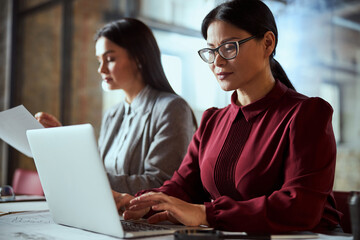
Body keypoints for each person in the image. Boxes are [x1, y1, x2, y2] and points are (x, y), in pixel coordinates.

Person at [112, 0, 342, 234]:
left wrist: (206, 214)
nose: (217, 61)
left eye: (229, 47)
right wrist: (135, 202)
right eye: (211, 51)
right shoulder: (212, 120)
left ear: (268, 43)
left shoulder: (307, 113)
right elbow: (181, 187)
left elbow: (299, 206)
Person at [35, 18, 196, 195]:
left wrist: (90, 179)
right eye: (99, 60)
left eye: (110, 59)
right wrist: (62, 141)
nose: (101, 69)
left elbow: (160, 183)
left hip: (148, 220)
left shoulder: (172, 108)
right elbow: (97, 169)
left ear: (139, 58)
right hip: (110, 214)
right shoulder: (113, 114)